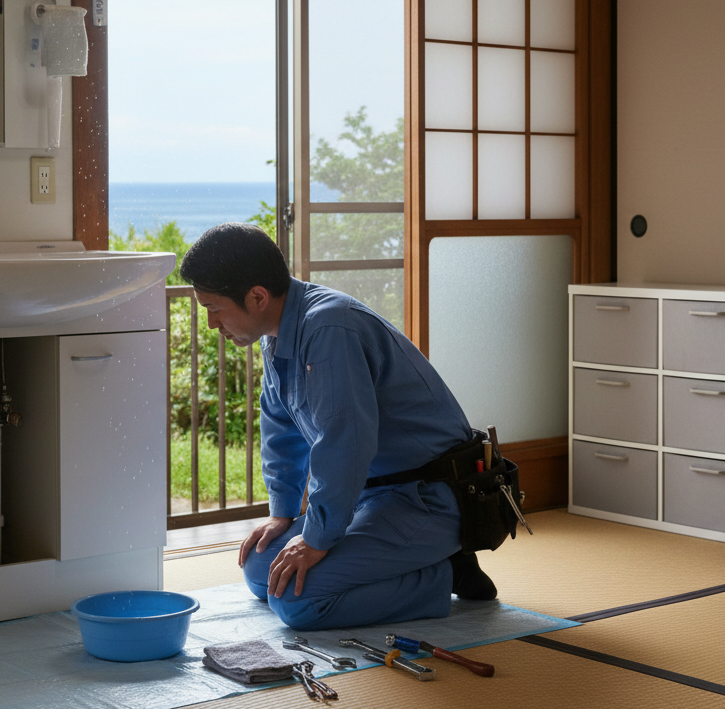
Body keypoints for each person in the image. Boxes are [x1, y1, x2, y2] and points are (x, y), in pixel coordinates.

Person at [178, 222, 497, 632]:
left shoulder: (329, 328)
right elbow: (279, 425)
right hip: (374, 496)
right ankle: (415, 561)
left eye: (213, 308)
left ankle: (443, 575)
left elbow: (345, 444)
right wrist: (283, 513)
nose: (210, 324)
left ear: (257, 297)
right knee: (260, 568)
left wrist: (315, 540)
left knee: (297, 603)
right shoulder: (277, 331)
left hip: (429, 498)